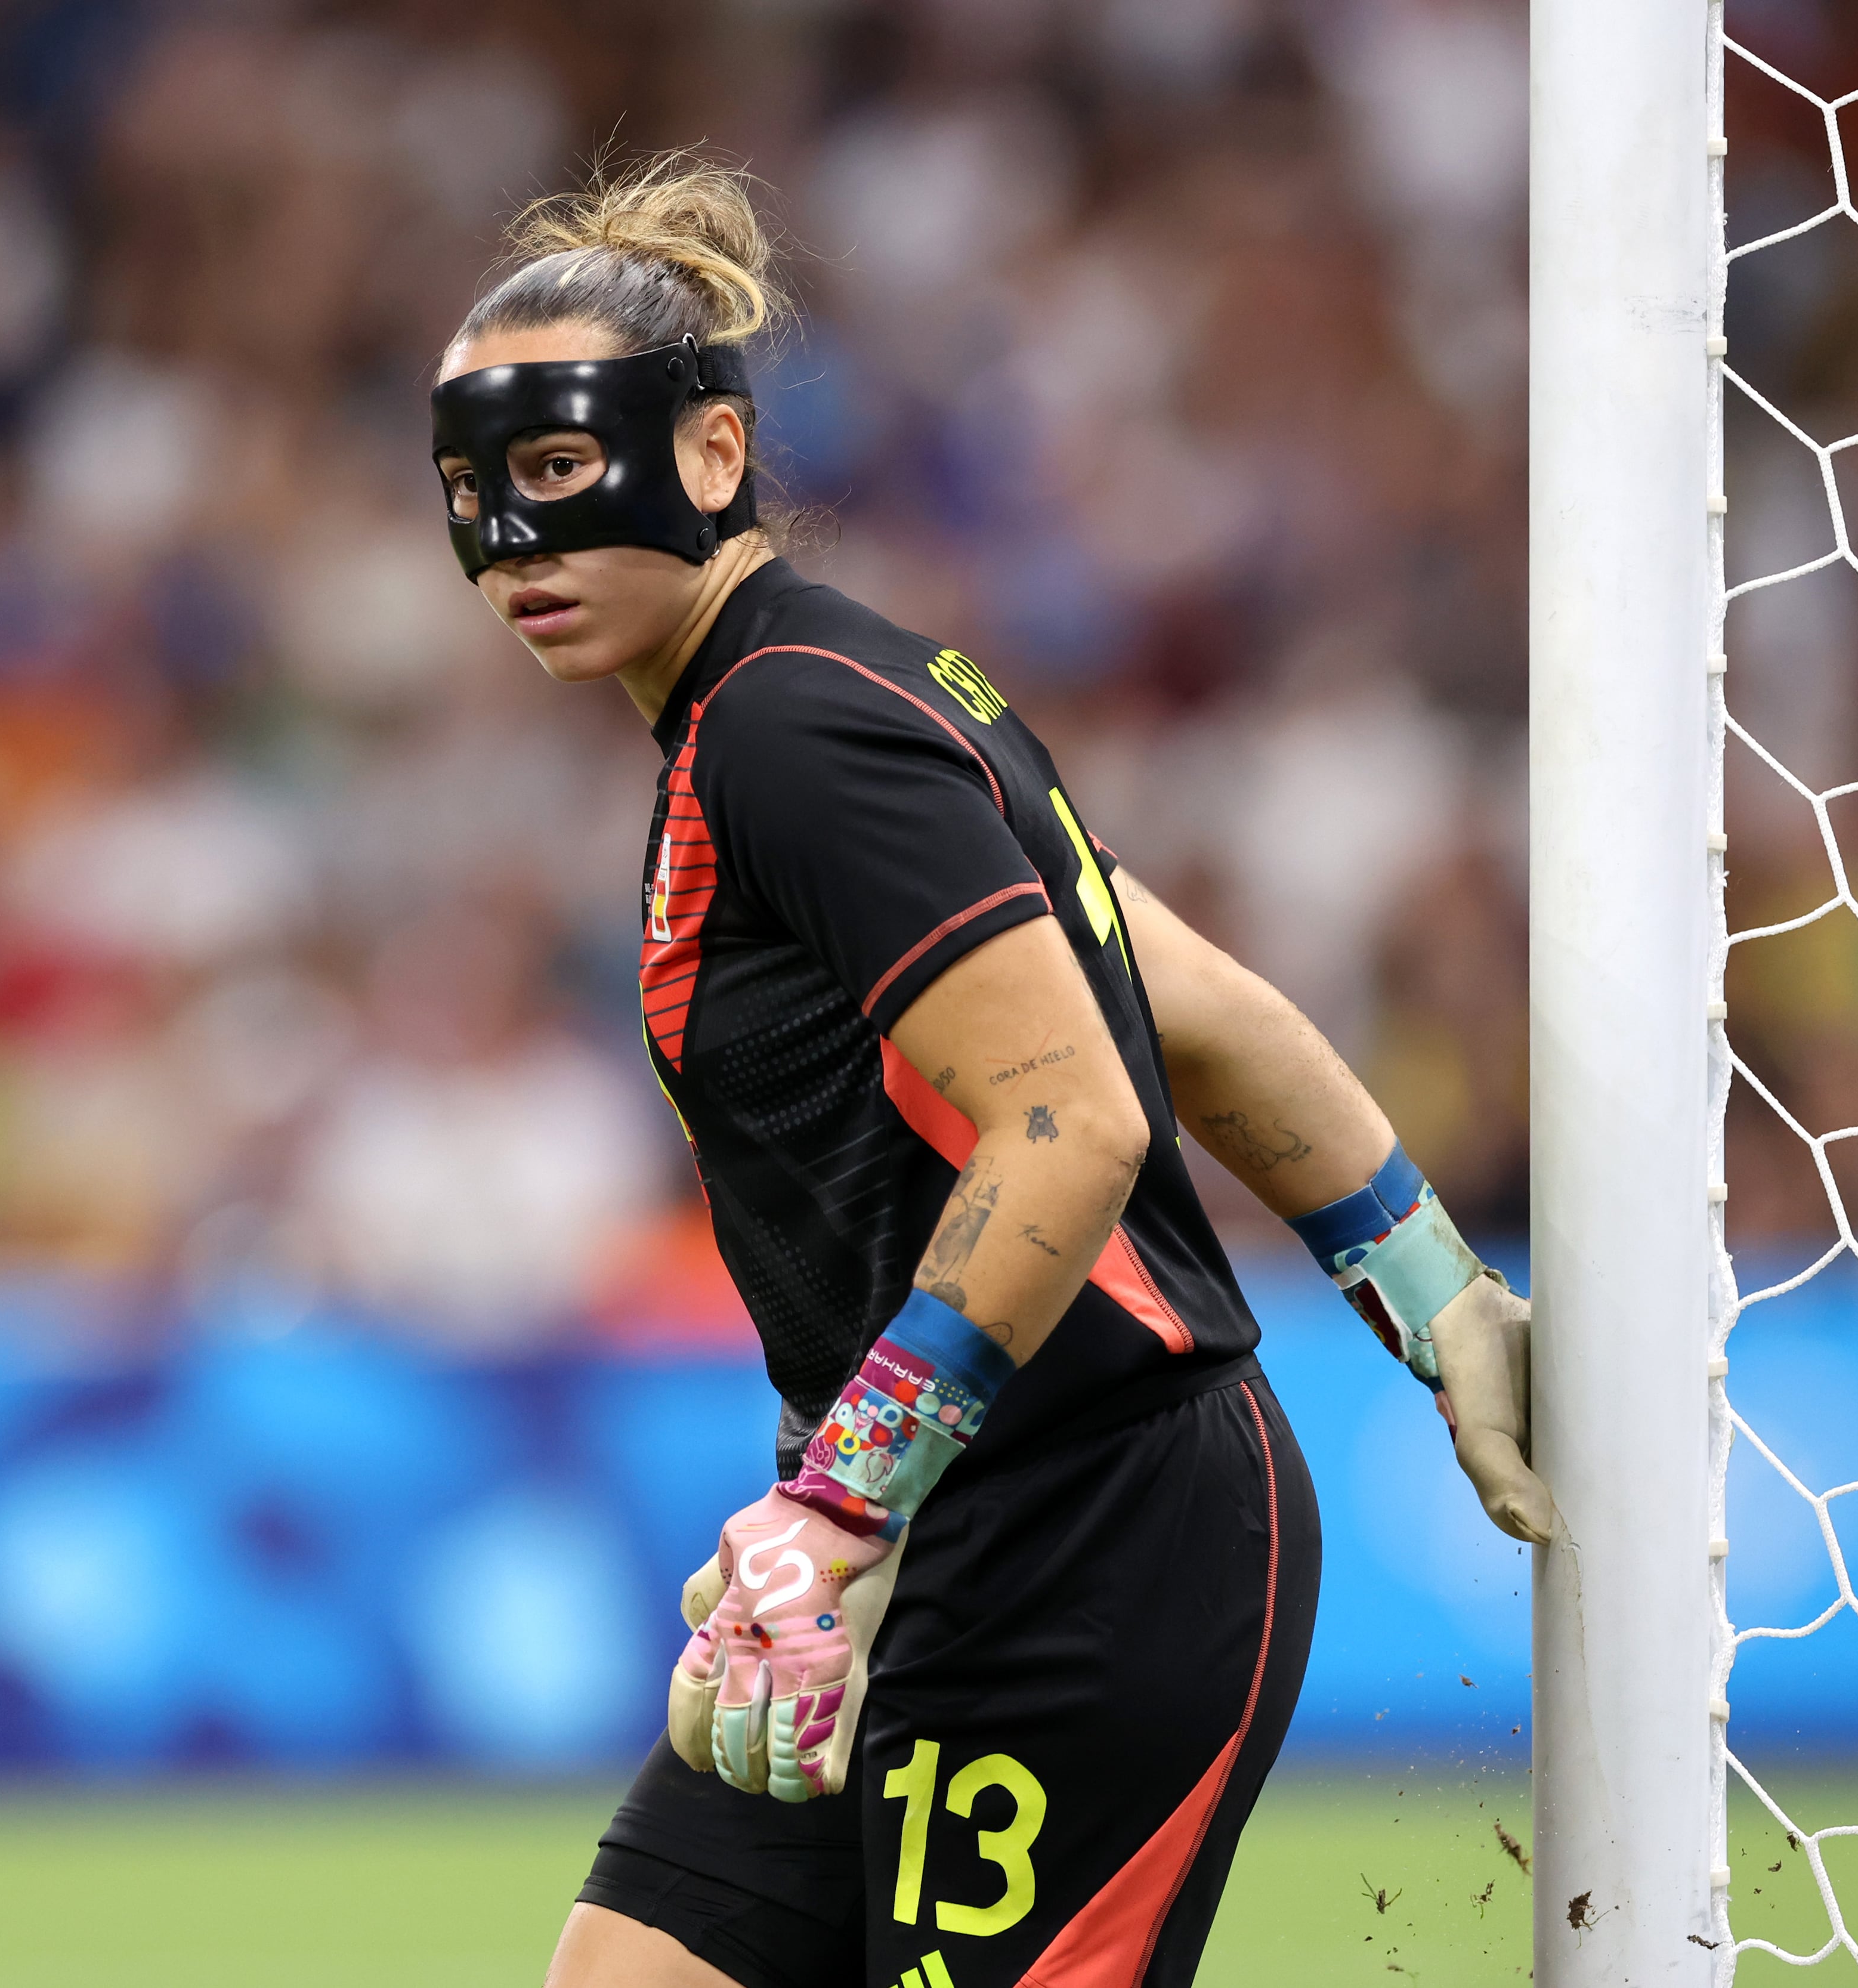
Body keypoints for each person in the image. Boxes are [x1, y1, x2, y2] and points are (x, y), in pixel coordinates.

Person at [427, 154, 1557, 1988]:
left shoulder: (794, 729)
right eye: (474, 496)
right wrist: (1436, 1292)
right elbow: (1185, 1002)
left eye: (560, 474)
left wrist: (836, 1508)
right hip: (927, 1535)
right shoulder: (833, 695)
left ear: (712, 456)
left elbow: (1077, 1113)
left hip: (1083, 1540)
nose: (513, 544)